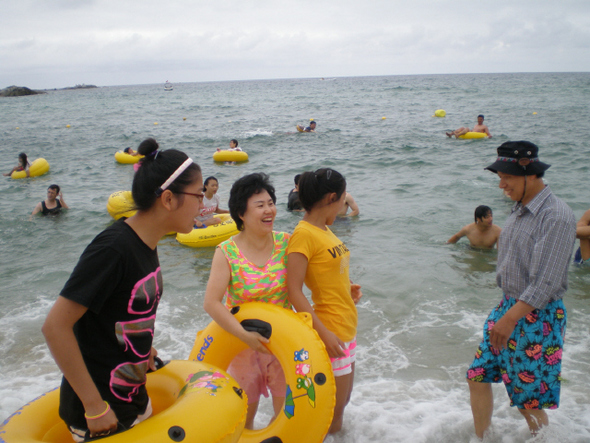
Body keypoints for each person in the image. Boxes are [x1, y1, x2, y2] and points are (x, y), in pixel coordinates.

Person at [42, 138, 203, 441]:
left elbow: (120, 311)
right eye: (199, 195)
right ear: (168, 199)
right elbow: (55, 327)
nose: (203, 204)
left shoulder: (147, 242)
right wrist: (94, 407)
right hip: (102, 415)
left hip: (134, 399)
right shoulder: (113, 249)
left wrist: (141, 351)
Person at [466, 141, 576, 439]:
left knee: (527, 399)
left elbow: (546, 282)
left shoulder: (555, 215)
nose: (501, 184)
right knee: (477, 375)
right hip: (509, 307)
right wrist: (506, 313)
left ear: (531, 173)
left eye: (508, 177)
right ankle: (483, 438)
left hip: (536, 318)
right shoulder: (519, 209)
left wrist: (511, 318)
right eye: (500, 177)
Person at [203, 173, 290, 429]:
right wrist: (243, 335)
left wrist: (343, 287)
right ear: (241, 213)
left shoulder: (287, 243)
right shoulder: (226, 252)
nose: (269, 210)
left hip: (284, 343)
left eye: (271, 203)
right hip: (242, 345)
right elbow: (211, 302)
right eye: (260, 205)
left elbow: (312, 280)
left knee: (288, 416)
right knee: (243, 418)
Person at [287, 168, 362, 434]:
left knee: (341, 405)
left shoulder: (324, 230)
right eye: (343, 199)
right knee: (331, 416)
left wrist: (346, 288)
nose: (345, 205)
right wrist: (324, 333)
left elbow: (325, 272)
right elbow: (293, 290)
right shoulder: (303, 234)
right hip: (330, 331)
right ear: (332, 197)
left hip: (345, 326)